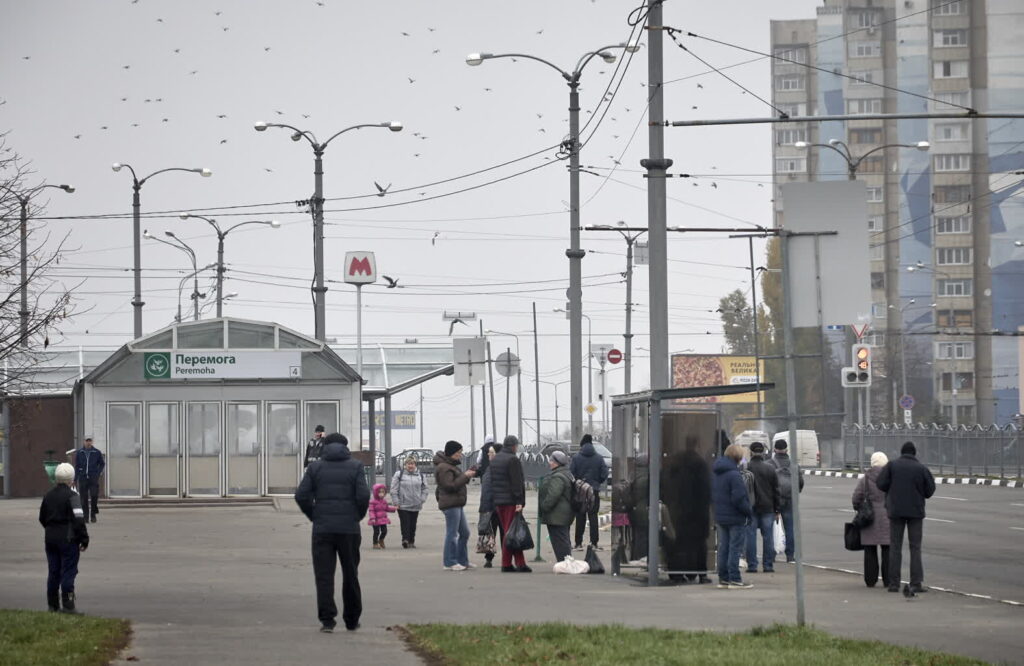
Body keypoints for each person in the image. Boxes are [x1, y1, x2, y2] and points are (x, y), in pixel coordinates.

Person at [295, 433, 370, 633]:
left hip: (323, 530)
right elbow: (363, 496)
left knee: (324, 575)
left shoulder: (315, 467)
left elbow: (301, 495)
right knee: (351, 574)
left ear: (324, 447)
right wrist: (356, 516)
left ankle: (327, 620)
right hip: (349, 530)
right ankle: (352, 620)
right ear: (345, 446)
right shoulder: (356, 467)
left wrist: (315, 516)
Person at [876, 441, 935, 594]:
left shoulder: (892, 466)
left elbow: (880, 483)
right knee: (915, 547)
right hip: (916, 512)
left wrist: (892, 489)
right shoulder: (921, 468)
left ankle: (894, 584)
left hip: (895, 511)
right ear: (914, 453)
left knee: (895, 547)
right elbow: (930, 491)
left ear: (901, 452)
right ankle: (916, 583)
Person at [39, 462, 89, 613]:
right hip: (68, 540)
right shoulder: (73, 497)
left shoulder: (48, 495)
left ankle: (52, 605)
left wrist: (50, 529)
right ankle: (68, 605)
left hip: (50, 538)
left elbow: (42, 517)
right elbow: (79, 519)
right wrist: (84, 539)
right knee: (68, 572)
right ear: (71, 480)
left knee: (53, 571)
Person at [711, 443, 754, 588]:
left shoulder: (717, 473)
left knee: (723, 548)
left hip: (721, 516)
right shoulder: (734, 475)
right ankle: (735, 579)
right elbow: (739, 498)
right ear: (738, 457)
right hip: (735, 517)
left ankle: (723, 579)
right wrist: (748, 511)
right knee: (735, 548)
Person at [490, 435, 531, 573]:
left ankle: (520, 563)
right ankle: (506, 563)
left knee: (512, 531)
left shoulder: (496, 459)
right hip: (511, 501)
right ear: (514, 446)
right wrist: (519, 501)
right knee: (510, 532)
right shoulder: (513, 459)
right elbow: (516, 482)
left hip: (499, 501)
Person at [434, 440, 476, 571]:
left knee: (465, 533)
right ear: (452, 452)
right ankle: (449, 562)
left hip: (456, 503)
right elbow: (449, 486)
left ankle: (462, 560)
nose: (460, 455)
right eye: (458, 452)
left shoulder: (450, 465)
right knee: (452, 534)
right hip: (450, 504)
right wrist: (465, 476)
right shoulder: (444, 467)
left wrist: (465, 475)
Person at [853, 451, 892, 588]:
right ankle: (888, 580)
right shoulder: (891, 477)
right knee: (888, 550)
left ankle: (870, 580)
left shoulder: (865, 479)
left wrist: (858, 508)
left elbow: (857, 497)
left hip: (870, 518)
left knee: (870, 550)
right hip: (888, 516)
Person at [745, 442, 780, 574]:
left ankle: (752, 566)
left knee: (750, 537)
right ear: (763, 452)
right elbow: (776, 490)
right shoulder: (770, 468)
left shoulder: (746, 468)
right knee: (768, 537)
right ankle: (768, 565)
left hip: (750, 508)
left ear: (751, 452)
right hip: (768, 507)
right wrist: (777, 510)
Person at [570, 434, 608, 551]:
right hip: (594, 491)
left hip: (580, 491)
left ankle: (578, 543)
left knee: (580, 516)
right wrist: (596, 482)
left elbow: (571, 474)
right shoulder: (599, 458)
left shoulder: (576, 458)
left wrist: (578, 483)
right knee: (593, 516)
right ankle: (594, 543)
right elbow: (604, 474)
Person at [771, 439, 804, 563]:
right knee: (790, 528)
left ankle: (772, 555)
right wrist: (795, 493)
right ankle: (790, 556)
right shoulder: (794, 464)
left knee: (773, 528)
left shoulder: (769, 464)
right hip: (790, 500)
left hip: (774, 500)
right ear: (786, 450)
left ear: (774, 449)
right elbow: (800, 483)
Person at [539, 450, 575, 563]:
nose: (549, 462)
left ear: (557, 463)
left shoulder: (558, 477)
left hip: (557, 515)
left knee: (560, 541)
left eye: (551, 460)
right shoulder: (566, 473)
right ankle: (566, 560)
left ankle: (564, 562)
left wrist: (544, 507)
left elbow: (553, 495)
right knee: (563, 539)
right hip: (563, 514)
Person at [391, 456, 429, 549]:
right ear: (405, 465)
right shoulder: (399, 475)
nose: (410, 466)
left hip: (416, 503)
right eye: (408, 464)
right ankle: (405, 540)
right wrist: (396, 502)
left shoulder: (420, 475)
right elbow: (393, 489)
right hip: (403, 504)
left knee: (413, 523)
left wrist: (422, 499)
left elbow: (425, 488)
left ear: (415, 465)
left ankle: (412, 541)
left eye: (412, 463)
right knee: (405, 523)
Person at [477, 441, 502, 568]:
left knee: (504, 533)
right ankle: (489, 558)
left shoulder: (501, 467)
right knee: (490, 533)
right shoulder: (489, 467)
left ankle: (506, 558)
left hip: (500, 506)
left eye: (491, 452)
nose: (488, 454)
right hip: (489, 506)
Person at [74, 436, 105, 523]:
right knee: (83, 498)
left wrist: (97, 473)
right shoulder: (80, 452)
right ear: (84, 442)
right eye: (87, 441)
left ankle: (93, 514)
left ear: (92, 442)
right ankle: (86, 517)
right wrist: (75, 479)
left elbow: (102, 464)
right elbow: (77, 466)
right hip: (83, 477)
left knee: (94, 495)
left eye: (90, 441)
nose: (88, 442)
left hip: (93, 478)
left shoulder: (97, 452)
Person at [367, 483, 397, 550]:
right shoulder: (372, 502)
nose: (381, 494)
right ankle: (375, 543)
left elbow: (387, 508)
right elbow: (371, 510)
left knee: (384, 531)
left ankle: (381, 540)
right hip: (375, 520)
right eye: (379, 492)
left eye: (383, 492)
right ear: (376, 493)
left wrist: (394, 508)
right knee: (376, 532)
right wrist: (372, 518)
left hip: (383, 519)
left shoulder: (384, 501)